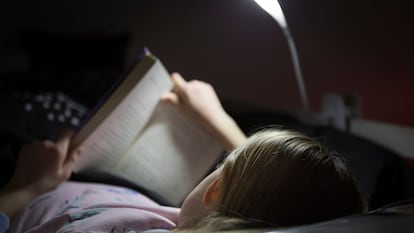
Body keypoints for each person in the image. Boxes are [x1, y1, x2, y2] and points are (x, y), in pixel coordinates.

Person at [0, 73, 366, 233]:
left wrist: (24, 187)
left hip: (29, 191)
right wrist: (219, 122)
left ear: (215, 191)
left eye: (224, 167)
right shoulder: (213, 217)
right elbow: (284, 199)